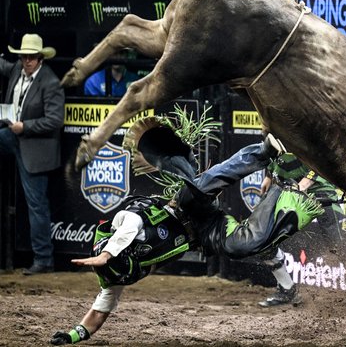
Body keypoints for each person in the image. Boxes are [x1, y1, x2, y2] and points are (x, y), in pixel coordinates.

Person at [49, 118, 324, 345]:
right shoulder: (114, 277)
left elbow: (131, 226)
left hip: (183, 206)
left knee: (201, 186)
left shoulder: (122, 222)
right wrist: (74, 335)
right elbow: (98, 312)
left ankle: (263, 151)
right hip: (202, 234)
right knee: (240, 247)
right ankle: (284, 194)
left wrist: (107, 253)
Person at [257, 151, 346, 310]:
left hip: (319, 191)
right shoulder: (272, 128)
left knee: (339, 242)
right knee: (261, 239)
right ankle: (287, 290)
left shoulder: (301, 128)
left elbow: (322, 155)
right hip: (286, 190)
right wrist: (269, 175)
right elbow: (274, 150)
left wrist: (305, 183)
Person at [0, 34, 64, 275]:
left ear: (40, 58)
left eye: (31, 57)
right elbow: (4, 66)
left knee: (36, 204)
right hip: (13, 137)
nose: (27, 61)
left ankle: (44, 259)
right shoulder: (17, 68)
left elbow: (55, 120)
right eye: (23, 56)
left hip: (35, 147)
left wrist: (25, 126)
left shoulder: (50, 83)